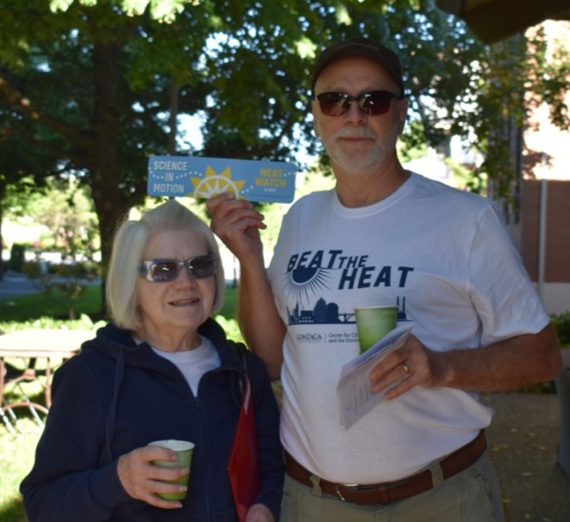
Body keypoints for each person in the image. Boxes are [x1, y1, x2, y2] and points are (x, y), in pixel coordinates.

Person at [207, 37, 562, 522]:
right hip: (314, 501)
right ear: (316, 115)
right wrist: (248, 259)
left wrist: (441, 367)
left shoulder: (464, 219)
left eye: (372, 101)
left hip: (441, 498)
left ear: (400, 113)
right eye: (335, 101)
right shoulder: (301, 219)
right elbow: (270, 358)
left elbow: (541, 357)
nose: (353, 116)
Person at [20, 199, 284, 522]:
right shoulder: (90, 377)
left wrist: (265, 506)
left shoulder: (242, 370)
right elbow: (42, 503)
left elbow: (271, 468)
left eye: (200, 265)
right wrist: (117, 481)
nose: (186, 282)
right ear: (131, 282)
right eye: (163, 269)